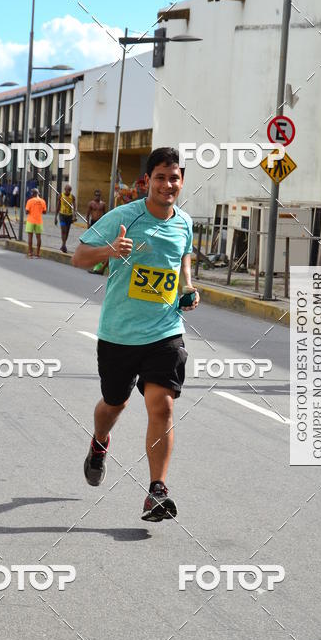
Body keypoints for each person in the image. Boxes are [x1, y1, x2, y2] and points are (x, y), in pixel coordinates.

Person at [72, 146, 200, 521]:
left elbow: (183, 256)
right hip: (119, 333)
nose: (167, 184)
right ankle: (99, 444)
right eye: (160, 177)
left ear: (181, 181)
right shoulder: (123, 216)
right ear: (148, 180)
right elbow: (79, 256)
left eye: (174, 177)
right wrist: (111, 250)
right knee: (114, 404)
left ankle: (156, 491)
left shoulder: (185, 222)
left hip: (165, 329)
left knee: (163, 405)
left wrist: (187, 287)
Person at [86, 190, 108, 274]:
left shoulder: (103, 204)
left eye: (99, 195)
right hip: (93, 223)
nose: (97, 197)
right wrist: (88, 224)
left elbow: (105, 214)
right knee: (93, 242)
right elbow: (88, 215)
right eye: (96, 195)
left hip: (100, 224)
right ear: (94, 195)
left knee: (100, 242)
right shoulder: (91, 203)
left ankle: (97, 263)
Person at [25, 188, 46, 258]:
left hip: (30, 221)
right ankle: (38, 254)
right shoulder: (42, 201)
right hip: (39, 221)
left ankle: (30, 253)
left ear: (32, 194)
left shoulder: (29, 201)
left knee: (30, 237)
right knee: (38, 238)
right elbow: (44, 212)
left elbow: (27, 212)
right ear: (38, 193)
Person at [55, 183, 75, 253]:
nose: (68, 191)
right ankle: (64, 245)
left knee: (67, 232)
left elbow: (74, 208)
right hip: (62, 215)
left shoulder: (72, 197)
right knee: (63, 231)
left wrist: (74, 216)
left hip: (69, 216)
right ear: (65, 189)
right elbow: (58, 206)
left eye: (69, 190)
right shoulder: (61, 195)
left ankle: (63, 245)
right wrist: (55, 217)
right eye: (67, 190)